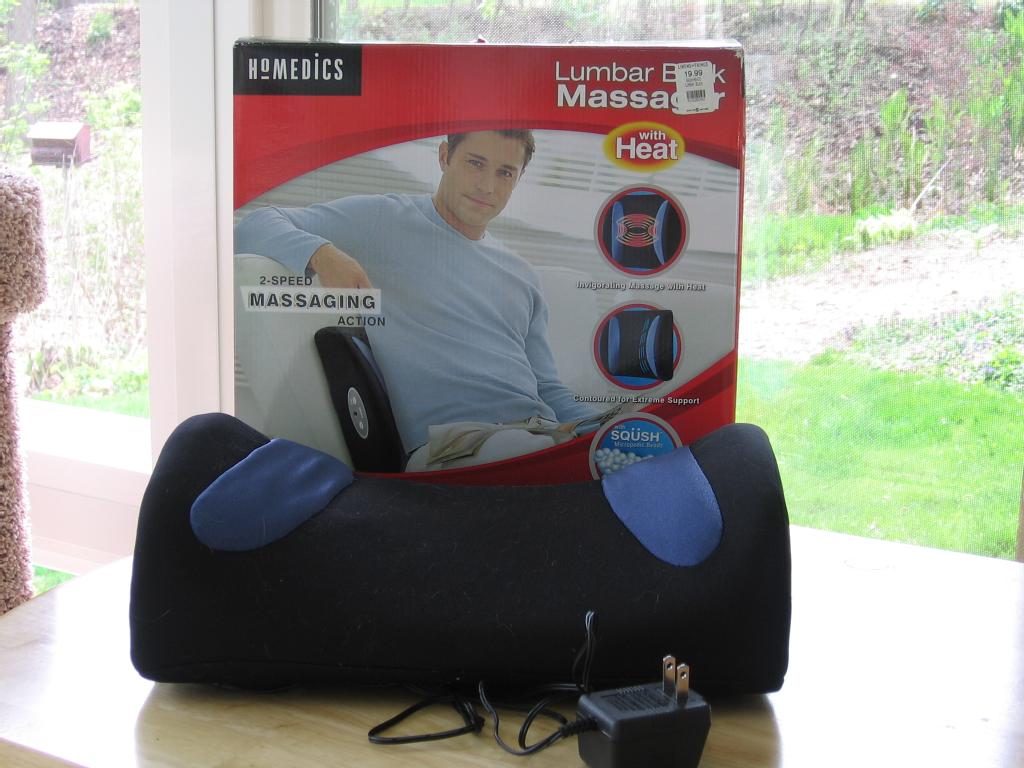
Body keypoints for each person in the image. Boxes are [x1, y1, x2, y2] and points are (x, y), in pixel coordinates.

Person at [235, 129, 601, 469]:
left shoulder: (522, 275)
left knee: (622, 449)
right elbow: (252, 226)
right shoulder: (385, 221)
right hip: (456, 446)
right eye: (475, 163)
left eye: (505, 173)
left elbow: (547, 387)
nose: (487, 186)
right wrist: (322, 254)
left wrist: (604, 428)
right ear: (444, 157)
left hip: (541, 434)